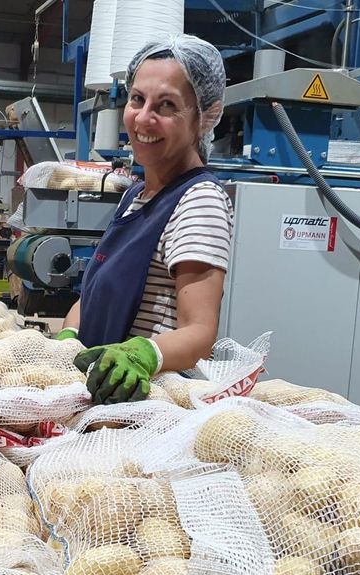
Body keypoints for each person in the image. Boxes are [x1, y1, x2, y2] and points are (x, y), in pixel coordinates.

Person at [56, 36, 232, 405]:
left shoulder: (199, 200)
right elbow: (94, 292)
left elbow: (200, 332)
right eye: (138, 99)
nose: (144, 117)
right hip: (100, 394)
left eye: (166, 105)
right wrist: (69, 336)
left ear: (206, 116)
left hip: (144, 403)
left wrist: (143, 354)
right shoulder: (134, 196)